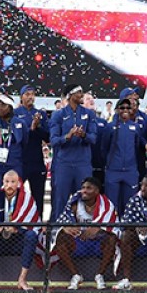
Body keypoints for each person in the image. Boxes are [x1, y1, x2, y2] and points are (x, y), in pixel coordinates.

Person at [51, 177, 120, 290]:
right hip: (79, 242)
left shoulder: (107, 206)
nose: (84, 191)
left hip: (98, 243)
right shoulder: (75, 204)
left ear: (97, 191)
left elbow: (114, 227)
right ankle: (76, 275)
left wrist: (99, 228)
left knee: (112, 239)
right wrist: (65, 227)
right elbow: (61, 222)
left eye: (89, 188)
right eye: (83, 188)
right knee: (61, 238)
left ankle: (99, 275)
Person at [49, 84, 98, 220]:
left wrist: (83, 135)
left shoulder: (89, 114)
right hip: (64, 163)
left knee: (85, 198)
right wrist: (67, 136)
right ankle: (56, 232)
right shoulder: (58, 115)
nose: (82, 95)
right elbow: (53, 140)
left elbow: (93, 138)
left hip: (82, 163)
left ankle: (83, 231)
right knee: (60, 199)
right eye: (79, 92)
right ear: (70, 95)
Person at [102, 97, 146, 215]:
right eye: (122, 107)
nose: (125, 110)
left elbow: (137, 146)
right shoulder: (110, 127)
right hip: (113, 170)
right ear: (117, 110)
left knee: (130, 205)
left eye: (128, 107)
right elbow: (104, 147)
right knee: (111, 205)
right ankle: (112, 231)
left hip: (130, 171)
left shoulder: (135, 127)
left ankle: (128, 232)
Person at [14, 85, 50, 216]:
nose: (30, 97)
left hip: (37, 161)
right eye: (27, 94)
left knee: (38, 197)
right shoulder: (15, 114)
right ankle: (14, 226)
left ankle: (38, 227)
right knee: (16, 196)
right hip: (19, 161)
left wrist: (38, 127)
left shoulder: (41, 114)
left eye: (32, 94)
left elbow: (48, 137)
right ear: (21, 97)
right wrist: (31, 128)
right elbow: (16, 137)